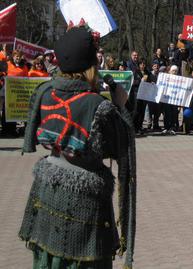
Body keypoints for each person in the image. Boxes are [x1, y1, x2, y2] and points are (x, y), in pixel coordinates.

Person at [19, 25, 136, 269]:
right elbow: (120, 149)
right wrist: (121, 108)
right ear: (91, 65)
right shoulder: (98, 106)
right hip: (84, 201)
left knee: (48, 257)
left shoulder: (45, 91)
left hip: (47, 188)